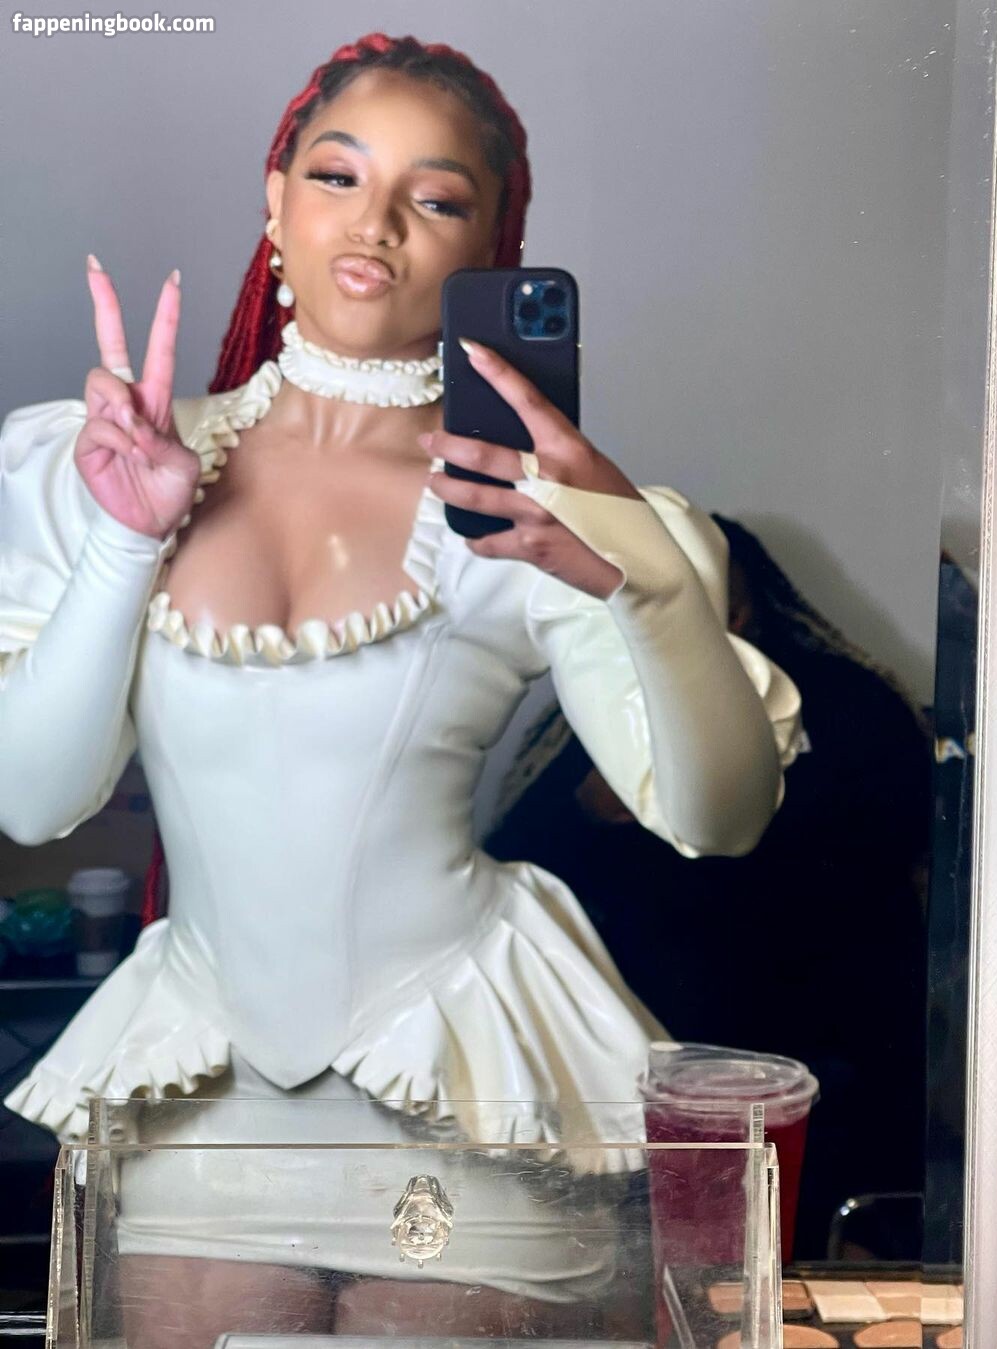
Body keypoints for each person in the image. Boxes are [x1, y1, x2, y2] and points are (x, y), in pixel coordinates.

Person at [0, 33, 800, 1344]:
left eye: (435, 199)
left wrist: (647, 579)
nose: (374, 224)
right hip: (201, 1102)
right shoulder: (115, 463)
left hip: (468, 1091)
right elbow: (32, 800)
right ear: (274, 203)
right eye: (337, 176)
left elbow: (722, 815)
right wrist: (122, 542)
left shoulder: (527, 510)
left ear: (489, 251)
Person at [486, 514, 932, 1258]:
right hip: (659, 1039)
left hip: (828, 1032)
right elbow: (515, 858)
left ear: (744, 607)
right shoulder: (607, 703)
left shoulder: (844, 696)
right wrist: (587, 811)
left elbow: (897, 834)